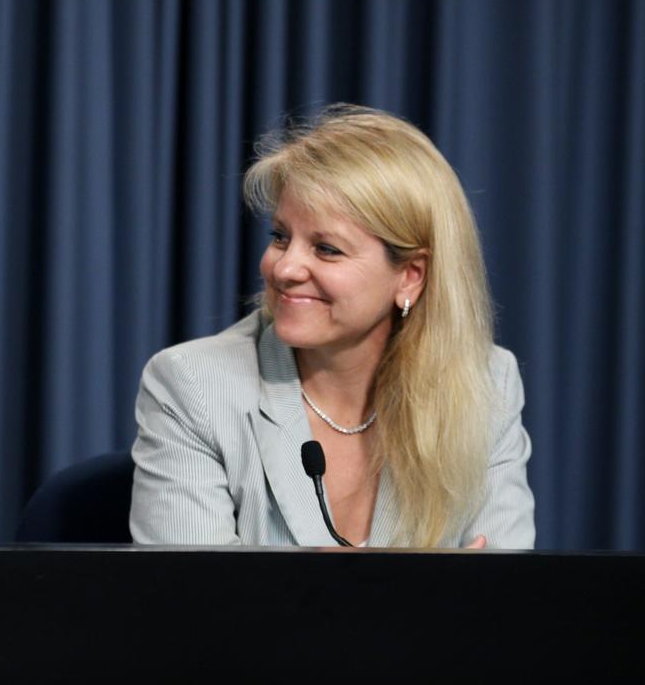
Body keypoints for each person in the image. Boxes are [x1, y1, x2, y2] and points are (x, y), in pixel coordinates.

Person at [130, 105, 534, 548]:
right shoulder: (194, 386)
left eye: (326, 249)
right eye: (280, 237)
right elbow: (189, 604)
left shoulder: (487, 384)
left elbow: (505, 597)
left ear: (411, 276)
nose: (284, 268)